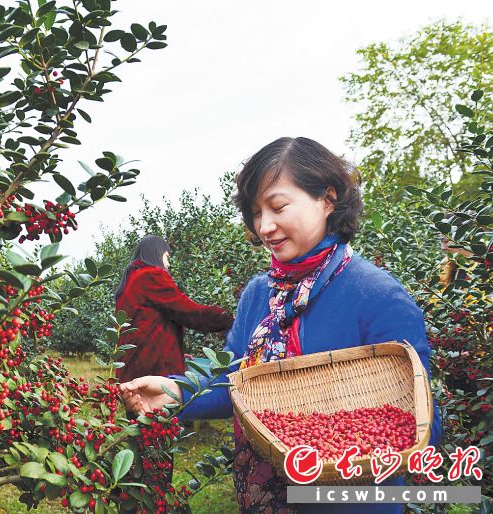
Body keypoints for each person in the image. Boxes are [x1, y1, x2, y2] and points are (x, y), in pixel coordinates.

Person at [120, 138, 443, 514]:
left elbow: (420, 425)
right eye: (256, 213)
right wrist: (176, 390)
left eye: (277, 207)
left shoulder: (377, 297)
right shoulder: (259, 295)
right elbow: (238, 380)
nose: (265, 227)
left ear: (327, 198)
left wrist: (342, 444)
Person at [114, 235, 233, 384]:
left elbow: (146, 326)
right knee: (163, 406)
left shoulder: (130, 281)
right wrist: (227, 317)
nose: (168, 264)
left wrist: (176, 354)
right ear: (156, 254)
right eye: (167, 257)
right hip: (152, 372)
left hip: (133, 368)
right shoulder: (151, 275)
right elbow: (187, 311)